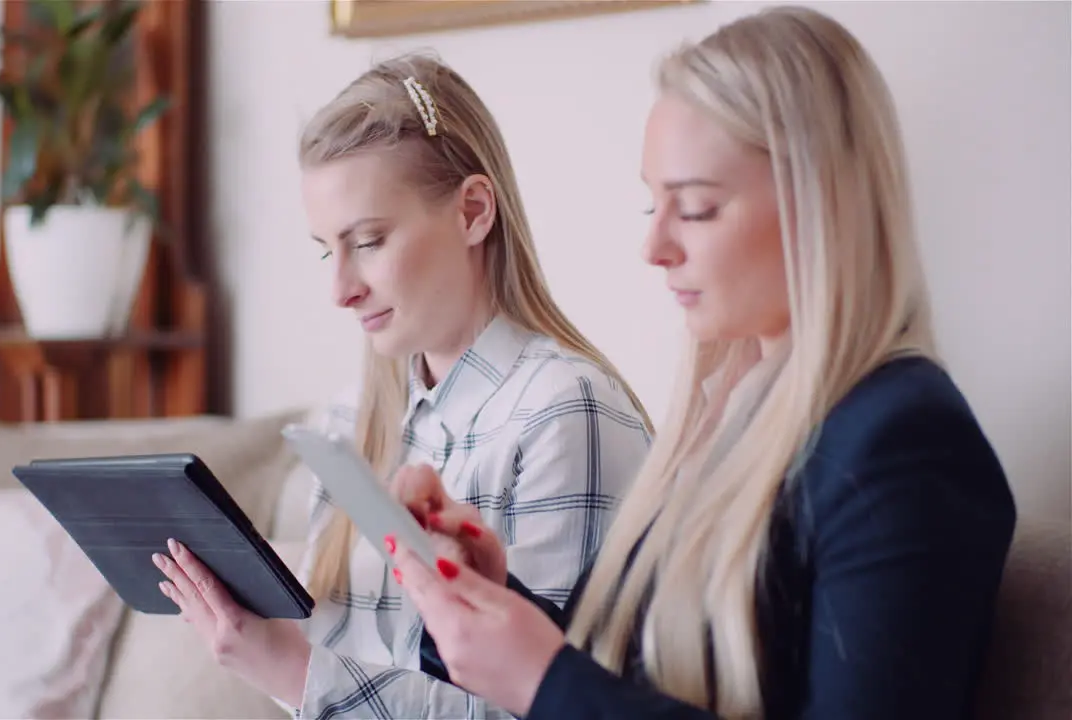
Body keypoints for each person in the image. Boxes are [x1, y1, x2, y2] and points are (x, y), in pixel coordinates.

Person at [387, 6, 1018, 719]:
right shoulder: (724, 418)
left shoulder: (905, 446)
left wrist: (543, 678)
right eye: (653, 205)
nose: (653, 248)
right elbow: (632, 673)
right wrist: (489, 601)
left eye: (695, 208)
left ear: (819, 205)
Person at [150, 54, 655, 718]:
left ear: (473, 212)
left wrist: (294, 672)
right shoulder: (348, 421)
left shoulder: (565, 414)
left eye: (370, 240)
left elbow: (556, 708)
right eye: (329, 249)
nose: (340, 290)